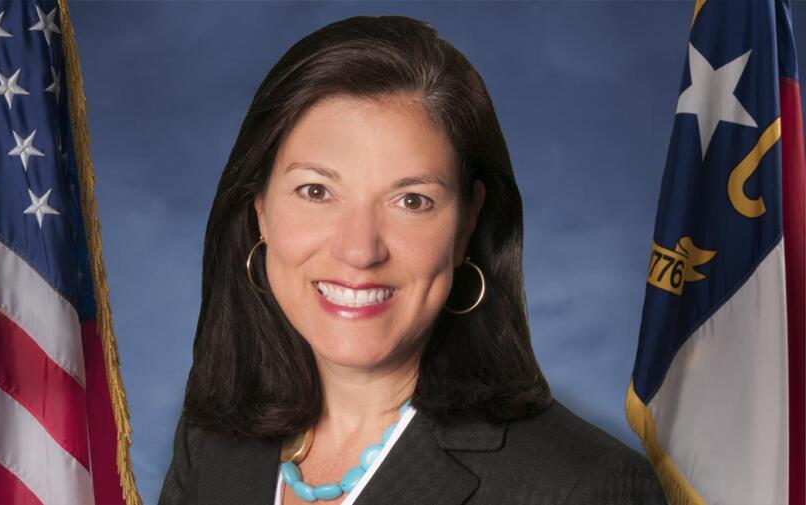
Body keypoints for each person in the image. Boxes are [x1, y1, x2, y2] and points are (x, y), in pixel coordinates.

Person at [158, 14, 667, 505]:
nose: (360, 250)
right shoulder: (212, 439)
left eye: (412, 201)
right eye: (316, 190)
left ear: (467, 223)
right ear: (260, 210)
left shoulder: (582, 487)